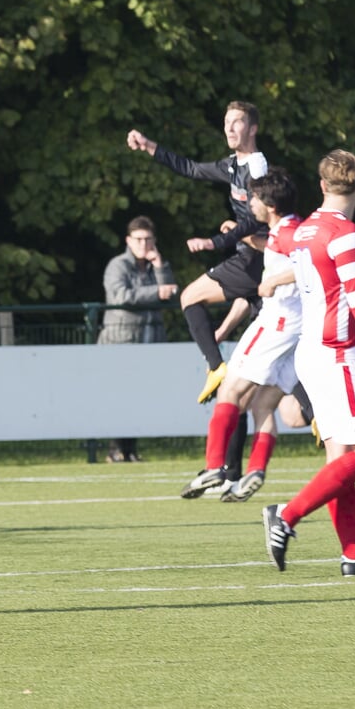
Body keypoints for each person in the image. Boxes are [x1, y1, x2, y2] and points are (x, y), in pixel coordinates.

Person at [262, 150, 355, 577]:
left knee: (340, 456)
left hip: (311, 350)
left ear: (322, 185)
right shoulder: (346, 234)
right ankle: (286, 515)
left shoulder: (306, 228)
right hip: (338, 351)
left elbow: (295, 259)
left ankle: (354, 554)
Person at [126, 101, 269, 404]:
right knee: (259, 377)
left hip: (258, 257)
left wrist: (215, 242)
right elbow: (190, 168)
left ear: (253, 128)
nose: (229, 128)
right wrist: (149, 146)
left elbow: (258, 219)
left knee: (190, 297)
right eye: (226, 121)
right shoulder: (233, 164)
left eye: (237, 122)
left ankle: (216, 366)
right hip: (255, 260)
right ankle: (315, 411)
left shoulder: (256, 167)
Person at [183, 173, 305, 502]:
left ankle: (213, 466)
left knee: (229, 389)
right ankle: (255, 471)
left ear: (271, 206)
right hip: (297, 330)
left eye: (254, 199)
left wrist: (275, 280)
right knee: (263, 404)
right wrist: (252, 243)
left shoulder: (292, 232)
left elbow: (312, 263)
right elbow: (281, 247)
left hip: (278, 321)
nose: (250, 204)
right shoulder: (287, 229)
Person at [98, 215, 178, 462]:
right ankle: (116, 449)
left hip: (149, 340)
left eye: (148, 239)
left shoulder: (158, 265)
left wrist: (160, 266)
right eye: (139, 239)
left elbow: (172, 294)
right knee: (119, 396)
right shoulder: (118, 265)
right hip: (120, 341)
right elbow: (119, 295)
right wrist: (156, 292)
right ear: (128, 241)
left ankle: (130, 449)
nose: (143, 244)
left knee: (140, 397)